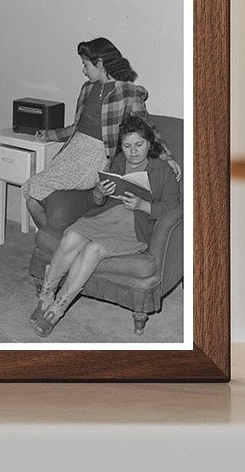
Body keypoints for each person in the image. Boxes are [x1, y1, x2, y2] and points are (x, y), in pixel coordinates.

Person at [30, 115, 181, 338]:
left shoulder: (163, 171)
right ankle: (46, 296)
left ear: (150, 143)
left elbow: (172, 208)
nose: (133, 151)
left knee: (93, 250)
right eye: (127, 146)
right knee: (71, 236)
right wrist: (99, 192)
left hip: (134, 228)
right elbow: (97, 201)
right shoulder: (118, 162)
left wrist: (143, 205)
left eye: (139, 145)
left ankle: (56, 310)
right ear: (121, 146)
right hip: (105, 217)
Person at [22, 36, 180, 231]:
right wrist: (48, 135)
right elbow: (77, 127)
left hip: (95, 156)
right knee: (31, 199)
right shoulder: (87, 89)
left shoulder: (128, 92)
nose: (83, 70)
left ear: (100, 64)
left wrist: (168, 158)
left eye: (85, 65)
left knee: (34, 186)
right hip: (73, 151)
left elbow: (146, 127)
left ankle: (61, 245)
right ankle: (58, 243)